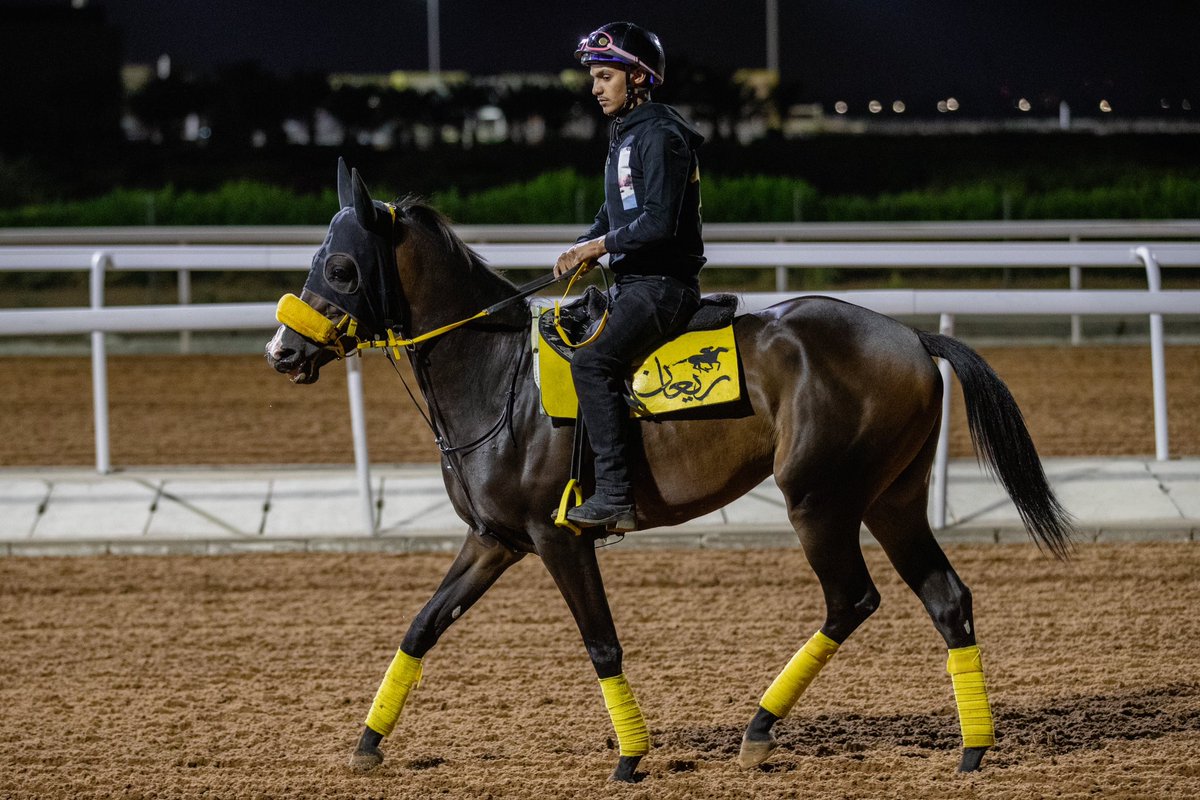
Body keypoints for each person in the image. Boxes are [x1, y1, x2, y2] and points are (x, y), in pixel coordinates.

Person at [553, 21, 706, 531]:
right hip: (634, 284)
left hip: (663, 288)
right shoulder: (629, 135)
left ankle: (617, 495)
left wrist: (598, 246)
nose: (594, 88)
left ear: (637, 78)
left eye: (604, 77)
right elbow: (615, 210)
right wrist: (586, 242)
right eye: (593, 78)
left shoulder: (660, 137)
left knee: (591, 363)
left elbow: (659, 222)